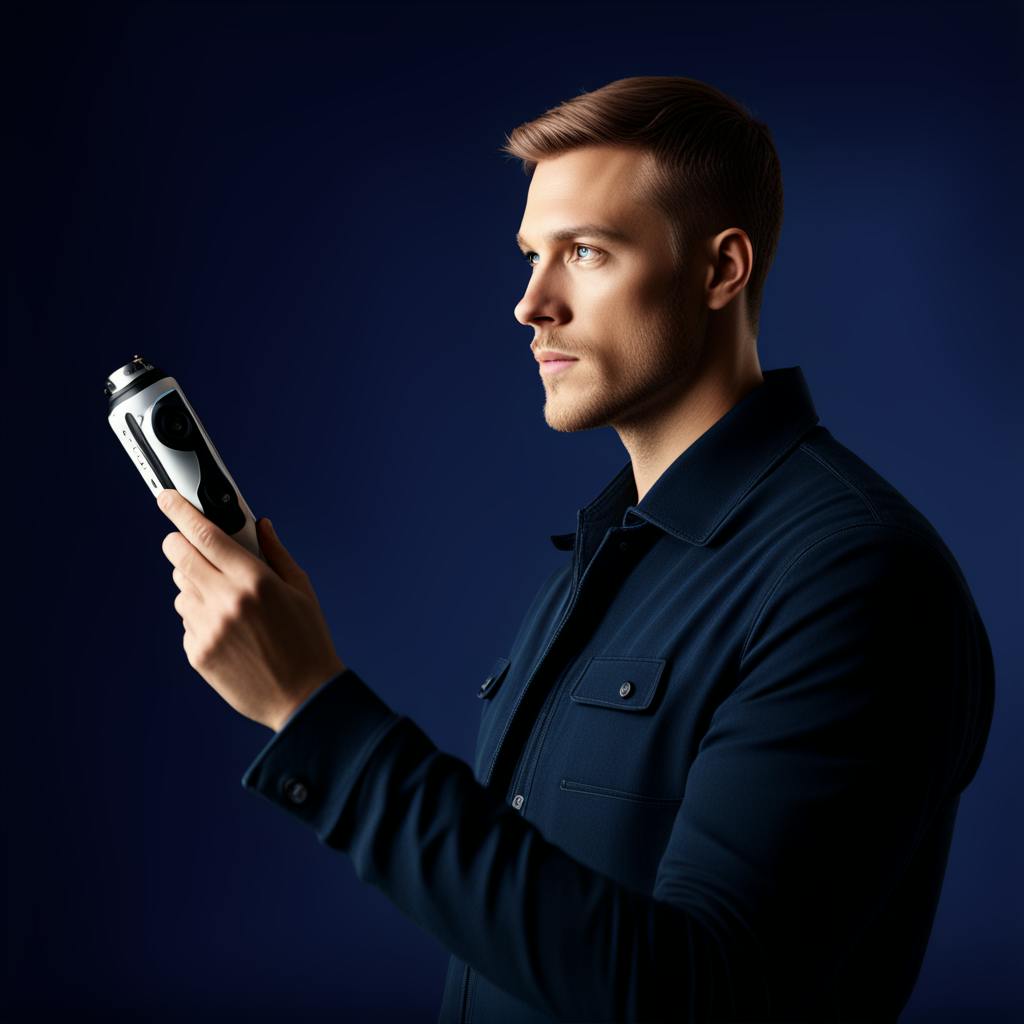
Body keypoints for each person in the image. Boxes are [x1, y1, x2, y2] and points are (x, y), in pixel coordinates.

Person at [157, 76, 996, 1022]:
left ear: (722, 270)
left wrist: (312, 707)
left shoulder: (856, 579)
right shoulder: (602, 565)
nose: (530, 305)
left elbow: (700, 998)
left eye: (586, 252)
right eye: (529, 256)